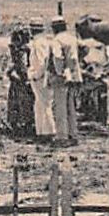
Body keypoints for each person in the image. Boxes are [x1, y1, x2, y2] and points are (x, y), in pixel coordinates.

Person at [49, 16, 83, 146]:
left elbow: (58, 58)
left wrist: (60, 72)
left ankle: (62, 136)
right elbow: (82, 50)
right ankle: (73, 134)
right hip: (74, 75)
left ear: (55, 28)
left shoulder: (57, 40)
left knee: (60, 107)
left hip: (62, 77)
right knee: (71, 107)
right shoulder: (72, 38)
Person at [26, 22, 58, 143]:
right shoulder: (43, 41)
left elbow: (41, 62)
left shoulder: (38, 44)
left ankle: (48, 132)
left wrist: (35, 75)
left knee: (44, 105)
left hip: (40, 78)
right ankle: (41, 132)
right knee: (40, 105)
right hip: (41, 77)